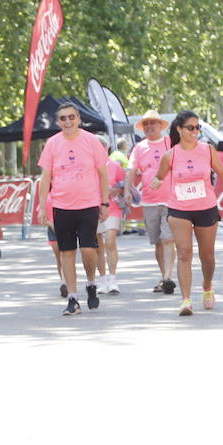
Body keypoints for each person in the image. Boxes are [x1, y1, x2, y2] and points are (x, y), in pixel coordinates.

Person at [151, 111, 223, 315]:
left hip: (206, 207)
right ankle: (185, 300)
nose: (195, 131)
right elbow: (160, 175)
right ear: (179, 130)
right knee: (184, 253)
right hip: (179, 208)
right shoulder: (170, 155)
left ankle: (207, 287)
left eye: (197, 127)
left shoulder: (207, 150)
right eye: (191, 127)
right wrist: (155, 182)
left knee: (207, 256)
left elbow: (221, 172)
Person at [36, 102, 110, 316]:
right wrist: (42, 207)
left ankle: (91, 283)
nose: (67, 121)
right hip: (61, 205)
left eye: (71, 117)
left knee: (88, 249)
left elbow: (103, 174)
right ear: (58, 122)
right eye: (63, 118)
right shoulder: (52, 144)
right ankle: (72, 298)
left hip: (88, 204)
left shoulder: (91, 141)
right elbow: (45, 177)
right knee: (66, 253)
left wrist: (104, 202)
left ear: (78, 119)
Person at [126, 110, 177, 293]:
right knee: (157, 243)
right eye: (145, 124)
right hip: (149, 201)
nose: (149, 127)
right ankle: (164, 277)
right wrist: (127, 190)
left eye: (152, 123)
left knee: (168, 239)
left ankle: (167, 278)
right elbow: (130, 169)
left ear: (160, 126)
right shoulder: (139, 148)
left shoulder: (170, 143)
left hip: (171, 200)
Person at [98, 155, 127, 294]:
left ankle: (113, 278)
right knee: (97, 245)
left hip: (112, 207)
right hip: (92, 207)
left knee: (110, 241)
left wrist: (116, 190)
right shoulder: (89, 164)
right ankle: (102, 279)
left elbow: (124, 184)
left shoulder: (115, 166)